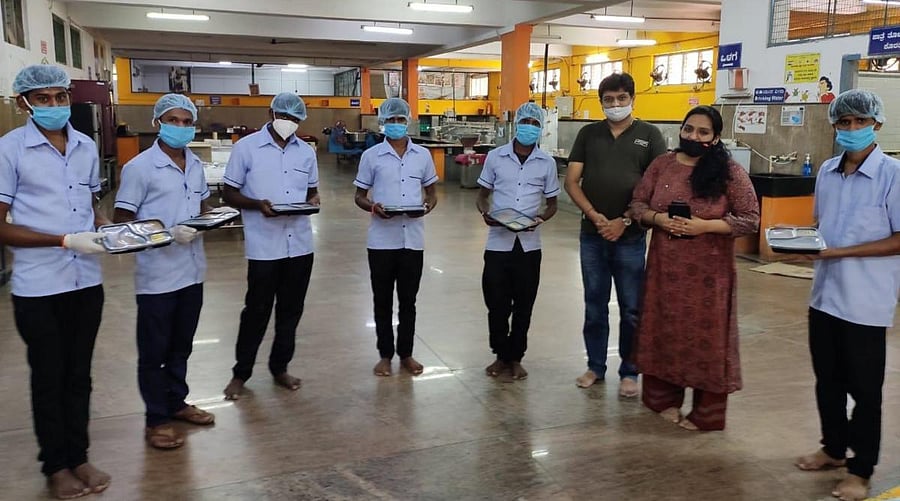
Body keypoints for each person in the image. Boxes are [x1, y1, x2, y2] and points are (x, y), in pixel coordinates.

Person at [0, 64, 111, 498]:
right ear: (22, 102)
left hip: (86, 281)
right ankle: (55, 465)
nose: (53, 106)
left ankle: (79, 455)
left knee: (80, 375)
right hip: (39, 287)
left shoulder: (84, 145)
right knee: (49, 375)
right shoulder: (10, 150)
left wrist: (104, 229)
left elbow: (86, 205)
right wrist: (64, 240)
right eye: (42, 99)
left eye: (60, 97)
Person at [794, 89, 900, 501]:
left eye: (861, 122)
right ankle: (834, 449)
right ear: (834, 125)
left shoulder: (892, 175)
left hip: (865, 303)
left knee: (866, 391)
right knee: (828, 382)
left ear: (877, 123)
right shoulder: (827, 170)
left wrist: (839, 252)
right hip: (824, 297)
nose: (852, 129)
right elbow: (820, 223)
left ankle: (861, 469)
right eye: (844, 122)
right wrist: (803, 247)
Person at [627, 105, 759, 431]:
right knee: (664, 332)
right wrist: (658, 219)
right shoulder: (662, 165)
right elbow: (637, 204)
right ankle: (663, 401)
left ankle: (705, 414)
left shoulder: (728, 172)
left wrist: (704, 226)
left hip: (709, 275)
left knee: (707, 340)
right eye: (689, 129)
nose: (694, 136)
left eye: (703, 132)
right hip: (664, 271)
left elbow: (750, 219)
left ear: (715, 138)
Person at [113, 94, 215, 449]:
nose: (181, 128)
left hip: (192, 271)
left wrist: (210, 222)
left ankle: (176, 402)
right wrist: (166, 234)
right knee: (154, 351)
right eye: (174, 121)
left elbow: (203, 208)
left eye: (188, 122)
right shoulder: (139, 168)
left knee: (181, 346)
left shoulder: (196, 165)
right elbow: (121, 225)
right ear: (157, 123)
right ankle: (155, 418)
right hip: (157, 275)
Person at [564, 72, 666, 396]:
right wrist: (596, 218)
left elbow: (656, 187)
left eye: (622, 98)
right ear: (601, 102)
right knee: (594, 303)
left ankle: (630, 371)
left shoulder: (650, 135)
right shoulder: (588, 134)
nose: (616, 105)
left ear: (632, 99)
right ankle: (595, 366)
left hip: (631, 237)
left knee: (631, 307)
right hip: (592, 235)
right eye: (609, 100)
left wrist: (624, 220)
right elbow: (572, 181)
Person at [222, 93, 319, 400]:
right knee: (256, 311)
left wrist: (313, 201)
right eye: (283, 116)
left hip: (300, 245)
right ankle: (241, 373)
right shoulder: (246, 148)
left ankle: (280, 368)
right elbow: (229, 193)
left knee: (291, 311)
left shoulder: (306, 152)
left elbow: (312, 190)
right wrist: (256, 204)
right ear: (270, 112)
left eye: (295, 119)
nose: (288, 123)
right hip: (265, 246)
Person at [353, 97, 438, 377]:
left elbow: (432, 193)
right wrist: (373, 207)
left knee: (408, 301)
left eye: (401, 120)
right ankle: (385, 355)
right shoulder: (371, 156)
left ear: (409, 121)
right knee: (382, 300)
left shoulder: (423, 156)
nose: (397, 125)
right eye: (391, 120)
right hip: (381, 241)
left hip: (413, 239)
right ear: (383, 123)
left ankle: (407, 354)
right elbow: (360, 196)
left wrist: (426, 206)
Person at [475, 102, 559, 380]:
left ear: (540, 129)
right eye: (526, 123)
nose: (529, 128)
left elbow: (552, 204)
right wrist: (485, 212)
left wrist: (541, 220)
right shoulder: (496, 157)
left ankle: (516, 358)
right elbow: (482, 195)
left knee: (524, 304)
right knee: (496, 303)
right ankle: (500, 356)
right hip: (497, 243)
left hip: (529, 245)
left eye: (535, 125)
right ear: (516, 124)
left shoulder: (546, 163)